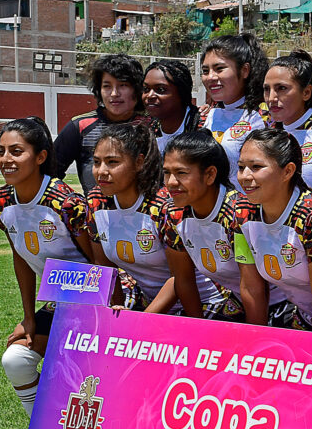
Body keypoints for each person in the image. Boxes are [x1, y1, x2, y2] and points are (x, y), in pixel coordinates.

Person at [0, 117, 93, 429]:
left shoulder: (64, 201)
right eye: (2, 151)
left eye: (17, 151)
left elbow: (97, 258)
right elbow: (20, 258)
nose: (7, 159)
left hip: (94, 299)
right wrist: (29, 318)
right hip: (56, 302)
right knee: (16, 360)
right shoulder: (2, 201)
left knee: (78, 372)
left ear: (40, 157)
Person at [86, 122, 222, 316]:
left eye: (112, 162)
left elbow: (178, 279)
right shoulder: (95, 202)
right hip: (149, 305)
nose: (101, 171)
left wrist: (141, 321)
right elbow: (105, 268)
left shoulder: (164, 208)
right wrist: (117, 312)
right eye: (96, 162)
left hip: (200, 303)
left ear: (139, 162)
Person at [160, 129, 268, 324]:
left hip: (273, 306)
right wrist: (199, 329)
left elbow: (253, 288)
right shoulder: (173, 214)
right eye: (167, 173)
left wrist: (253, 339)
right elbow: (183, 280)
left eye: (181, 173)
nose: (171, 182)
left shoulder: (238, 214)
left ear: (210, 175)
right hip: (237, 301)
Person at [235, 128, 312, 333]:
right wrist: (257, 341)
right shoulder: (241, 214)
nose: (245, 176)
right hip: (303, 318)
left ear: (288, 171)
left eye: (256, 167)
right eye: (240, 167)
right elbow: (251, 288)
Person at [54, 54, 151, 194]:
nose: (114, 93)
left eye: (123, 85)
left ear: (137, 89)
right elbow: (49, 174)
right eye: (107, 86)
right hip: (95, 215)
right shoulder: (80, 126)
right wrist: (73, 205)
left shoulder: (151, 127)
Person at [264, 50, 312, 199]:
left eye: (281, 88)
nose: (271, 98)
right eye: (267, 89)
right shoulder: (266, 130)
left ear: (306, 92)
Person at [201, 34, 271, 192]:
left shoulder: (265, 116)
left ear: (245, 70)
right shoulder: (207, 116)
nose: (211, 77)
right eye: (205, 71)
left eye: (219, 69)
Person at [143, 60, 203, 153]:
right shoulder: (148, 131)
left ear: (182, 93)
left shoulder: (204, 126)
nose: (150, 95)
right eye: (146, 89)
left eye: (161, 89)